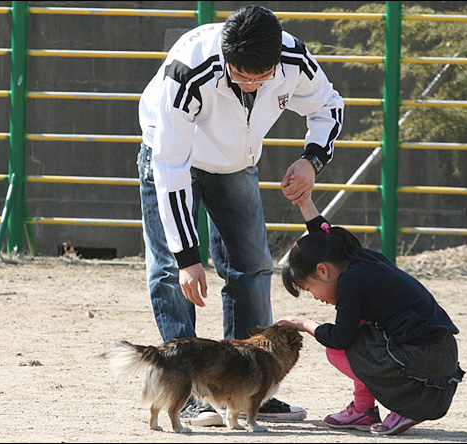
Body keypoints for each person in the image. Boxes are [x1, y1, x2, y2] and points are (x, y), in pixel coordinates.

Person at [137, 5, 344, 426]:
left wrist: (311, 160)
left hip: (236, 165)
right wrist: (187, 258)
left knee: (251, 266)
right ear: (224, 56)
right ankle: (191, 390)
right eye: (241, 75)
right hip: (173, 156)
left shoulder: (293, 58)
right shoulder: (189, 68)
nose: (251, 84)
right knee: (169, 273)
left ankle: (251, 389)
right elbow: (171, 167)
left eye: (261, 77)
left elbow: (330, 107)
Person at [276, 192, 465, 435]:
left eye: (309, 289)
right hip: (441, 355)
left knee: (337, 349)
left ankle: (406, 406)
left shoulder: (349, 284)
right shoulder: (359, 259)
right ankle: (363, 410)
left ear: (323, 271)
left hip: (424, 365)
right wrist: (305, 203)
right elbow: (323, 236)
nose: (316, 297)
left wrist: (304, 323)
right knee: (361, 327)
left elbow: (339, 339)